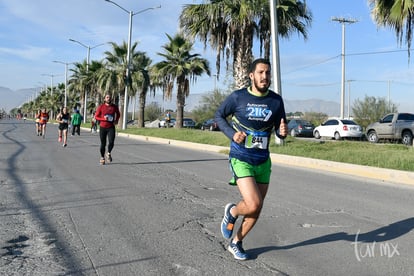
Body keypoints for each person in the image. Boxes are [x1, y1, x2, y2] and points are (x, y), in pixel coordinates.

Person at [215, 58, 288, 260]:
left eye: (268, 73)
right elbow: (219, 116)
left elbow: (280, 130)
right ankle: (233, 211)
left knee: (257, 207)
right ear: (251, 75)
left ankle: (236, 242)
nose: (265, 77)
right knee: (253, 203)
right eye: (261, 73)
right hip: (241, 157)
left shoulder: (276, 100)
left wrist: (282, 133)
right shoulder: (238, 98)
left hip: (263, 161)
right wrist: (232, 133)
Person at [94, 94, 120, 165]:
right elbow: (96, 116)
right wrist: (103, 119)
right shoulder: (101, 107)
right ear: (104, 99)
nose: (108, 98)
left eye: (109, 97)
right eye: (107, 97)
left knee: (111, 142)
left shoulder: (114, 107)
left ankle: (108, 153)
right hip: (103, 127)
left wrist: (116, 120)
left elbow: (118, 114)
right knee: (103, 144)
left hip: (111, 127)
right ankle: (102, 158)